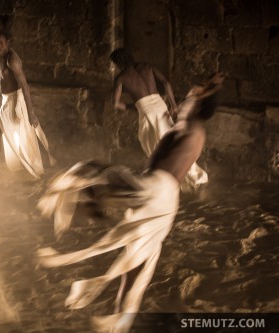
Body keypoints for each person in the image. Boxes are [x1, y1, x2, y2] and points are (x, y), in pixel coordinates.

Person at [37, 73, 225, 333]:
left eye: (190, 97)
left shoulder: (191, 125)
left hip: (155, 188)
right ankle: (120, 323)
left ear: (198, 105)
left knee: (88, 169)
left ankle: (89, 205)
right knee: (133, 265)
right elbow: (182, 117)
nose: (183, 100)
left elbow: (186, 111)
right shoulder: (194, 128)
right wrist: (207, 89)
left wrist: (206, 90)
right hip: (166, 201)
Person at [0, 23, 54, 179]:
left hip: (15, 101)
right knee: (2, 133)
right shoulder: (2, 57)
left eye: (0, 43)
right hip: (6, 101)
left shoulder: (13, 60)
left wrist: (30, 111)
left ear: (9, 42)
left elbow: (25, 86)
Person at [109, 48, 207, 189]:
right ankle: (190, 179)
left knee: (155, 148)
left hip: (147, 112)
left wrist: (133, 107)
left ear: (117, 62)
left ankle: (177, 181)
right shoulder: (146, 66)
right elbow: (166, 83)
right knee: (173, 141)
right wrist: (173, 106)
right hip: (161, 107)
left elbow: (116, 104)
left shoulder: (121, 77)